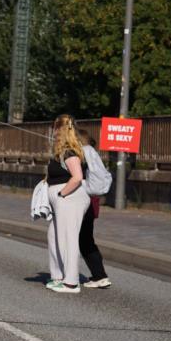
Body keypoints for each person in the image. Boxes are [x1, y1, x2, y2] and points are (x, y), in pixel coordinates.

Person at [45, 114, 89, 294]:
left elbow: (77, 177)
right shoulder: (61, 152)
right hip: (63, 199)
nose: (53, 133)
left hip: (70, 199)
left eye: (55, 129)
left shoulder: (70, 151)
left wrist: (61, 194)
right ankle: (58, 276)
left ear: (61, 130)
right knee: (54, 236)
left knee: (68, 238)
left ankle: (71, 282)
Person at [77, 129, 111, 289]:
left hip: (83, 204)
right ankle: (99, 275)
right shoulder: (92, 156)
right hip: (91, 204)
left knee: (83, 241)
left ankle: (100, 275)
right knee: (86, 240)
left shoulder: (82, 157)